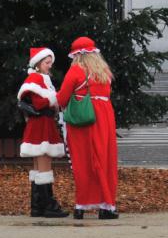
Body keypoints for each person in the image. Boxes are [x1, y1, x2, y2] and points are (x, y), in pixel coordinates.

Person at [58, 36, 119, 220]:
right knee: (105, 159)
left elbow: (62, 99)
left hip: (82, 121)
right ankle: (106, 206)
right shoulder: (104, 71)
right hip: (104, 118)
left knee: (83, 162)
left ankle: (81, 206)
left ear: (76, 55)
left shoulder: (76, 71)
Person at [18, 46, 67, 219]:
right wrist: (57, 98)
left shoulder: (40, 78)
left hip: (40, 123)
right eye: (47, 62)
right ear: (38, 63)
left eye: (50, 62)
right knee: (44, 162)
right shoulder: (36, 78)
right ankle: (49, 206)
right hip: (42, 124)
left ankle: (37, 205)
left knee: (39, 165)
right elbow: (39, 103)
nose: (50, 65)